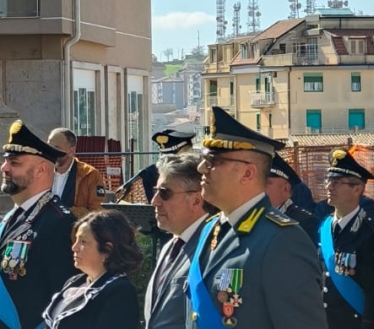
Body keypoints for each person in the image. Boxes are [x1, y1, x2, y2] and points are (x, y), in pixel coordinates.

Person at [186, 106, 327, 329]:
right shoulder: (210, 229)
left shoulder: (282, 241)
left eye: (213, 161)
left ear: (248, 173)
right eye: (203, 159)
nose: (202, 168)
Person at [0, 120, 78, 329]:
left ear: (41, 170)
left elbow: (66, 304)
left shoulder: (58, 223)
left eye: (15, 163)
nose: (4, 167)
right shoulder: (13, 217)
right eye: (6, 161)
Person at [145, 153, 215, 329]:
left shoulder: (213, 247)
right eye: (155, 192)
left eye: (164, 193)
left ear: (196, 200)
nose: (155, 202)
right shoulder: (172, 245)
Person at [42, 210, 142, 329]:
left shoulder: (121, 291)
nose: (74, 247)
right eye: (76, 240)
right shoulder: (75, 281)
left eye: (83, 241)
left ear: (107, 249)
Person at [321, 148, 374, 329]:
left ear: (357, 189)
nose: (328, 187)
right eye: (328, 180)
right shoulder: (325, 227)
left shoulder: (371, 233)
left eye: (336, 182)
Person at [48, 127, 106, 218]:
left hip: (74, 230)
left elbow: (98, 212)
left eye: (56, 148)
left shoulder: (90, 175)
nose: (50, 151)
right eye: (49, 147)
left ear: (71, 151)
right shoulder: (40, 172)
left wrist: (69, 212)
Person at [266, 154, 320, 245]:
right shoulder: (255, 218)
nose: (259, 189)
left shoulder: (304, 222)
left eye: (266, 183)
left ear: (285, 189)